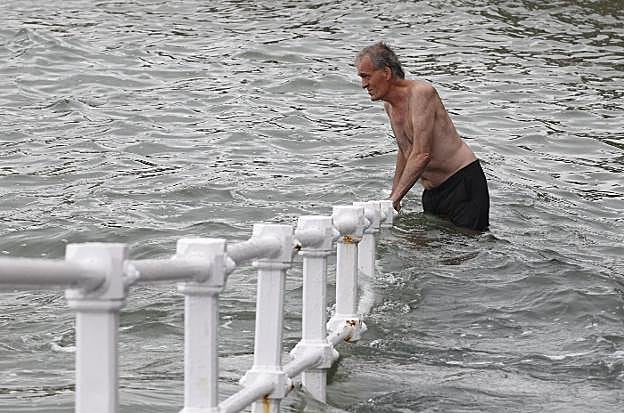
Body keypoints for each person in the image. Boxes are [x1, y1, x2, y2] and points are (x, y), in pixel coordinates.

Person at [355, 42, 490, 231]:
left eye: (366, 76)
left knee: (466, 245)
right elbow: (405, 151)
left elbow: (422, 154)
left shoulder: (421, 93)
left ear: (386, 72)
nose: (363, 85)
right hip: (432, 192)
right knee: (426, 246)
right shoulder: (389, 106)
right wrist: (394, 196)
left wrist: (393, 200)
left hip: (462, 184)